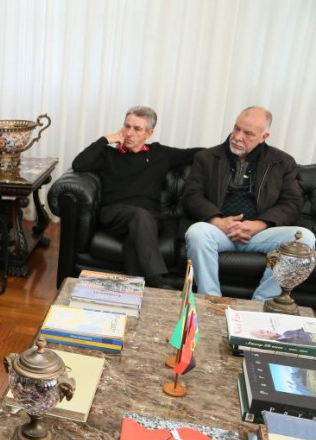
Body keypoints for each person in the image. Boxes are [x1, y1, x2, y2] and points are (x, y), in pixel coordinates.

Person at [184, 106, 315, 300]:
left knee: (304, 239)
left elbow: (292, 203)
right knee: (197, 232)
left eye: (248, 134)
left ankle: (261, 304)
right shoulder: (207, 158)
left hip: (261, 234)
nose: (237, 136)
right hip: (220, 231)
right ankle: (210, 301)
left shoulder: (282, 162)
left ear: (264, 136)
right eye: (236, 128)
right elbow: (192, 196)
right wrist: (218, 221)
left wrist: (258, 225)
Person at [72, 106, 201, 288]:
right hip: (114, 215)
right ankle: (156, 281)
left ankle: (138, 292)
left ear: (149, 133)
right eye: (127, 126)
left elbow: (195, 153)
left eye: (137, 129)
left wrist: (231, 147)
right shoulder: (109, 154)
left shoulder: (159, 154)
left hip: (149, 221)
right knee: (139, 216)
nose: (129, 133)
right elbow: (78, 164)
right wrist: (105, 139)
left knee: (135, 239)